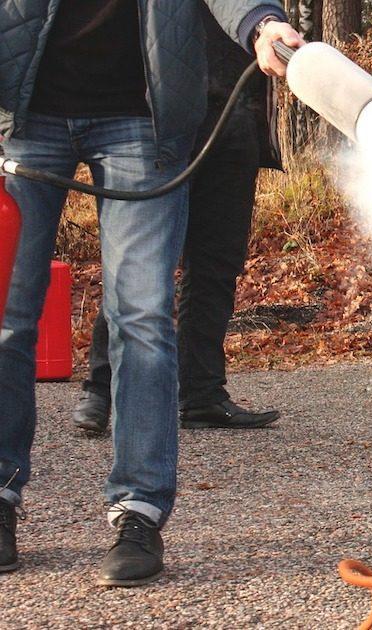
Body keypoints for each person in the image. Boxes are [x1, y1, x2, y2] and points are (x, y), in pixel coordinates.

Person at [0, 0, 303, 586]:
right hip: (25, 117)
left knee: (141, 315)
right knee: (9, 317)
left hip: (143, 121)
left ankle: (138, 511)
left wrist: (263, 23)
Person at [72, 7, 284, 435]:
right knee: (139, 260)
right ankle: (101, 390)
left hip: (235, 116)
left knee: (217, 265)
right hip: (159, 122)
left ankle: (202, 394)